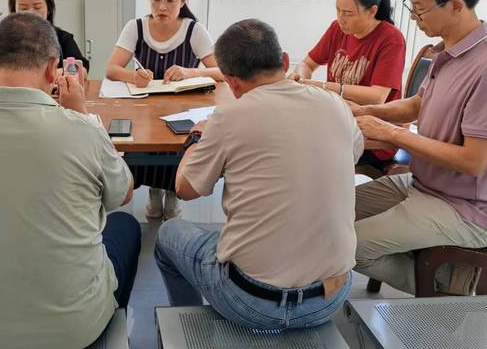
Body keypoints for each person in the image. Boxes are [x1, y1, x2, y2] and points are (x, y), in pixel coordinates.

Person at [0, 12, 141, 349]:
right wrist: (82, 115)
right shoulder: (81, 130)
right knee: (125, 226)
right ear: (53, 70)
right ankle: (113, 329)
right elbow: (122, 194)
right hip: (77, 330)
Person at [154, 19, 362, 330]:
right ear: (285, 62)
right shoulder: (335, 104)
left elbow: (185, 188)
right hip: (330, 297)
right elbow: (353, 155)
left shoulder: (228, 117)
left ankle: (188, 328)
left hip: (251, 301)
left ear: (230, 81)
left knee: (168, 234)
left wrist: (197, 137)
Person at [351, 0, 487, 295]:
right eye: (411, 6)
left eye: (420, 8)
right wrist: (365, 112)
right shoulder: (448, 50)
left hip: (467, 208)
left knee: (344, 244)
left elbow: (473, 162)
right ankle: (422, 257)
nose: (415, 17)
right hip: (425, 184)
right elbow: (418, 104)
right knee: (329, 212)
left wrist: (391, 134)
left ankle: (445, 286)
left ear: (456, 5)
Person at [105, 0, 222, 220]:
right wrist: (133, 76)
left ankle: (172, 193)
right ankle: (154, 191)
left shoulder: (194, 30)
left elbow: (221, 71)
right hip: (144, 109)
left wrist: (190, 72)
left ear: (183, 1)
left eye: (170, 0)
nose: (162, 6)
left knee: (175, 147)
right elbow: (112, 69)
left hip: (182, 109)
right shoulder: (136, 27)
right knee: (144, 146)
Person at [290, 0, 406, 172]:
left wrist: (322, 86)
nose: (340, 18)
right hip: (337, 120)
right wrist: (300, 77)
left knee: (303, 153)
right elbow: (307, 63)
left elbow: (377, 96)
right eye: (338, 10)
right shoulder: (337, 29)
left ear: (372, 11)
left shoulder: (391, 39)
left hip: (370, 132)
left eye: (348, 13)